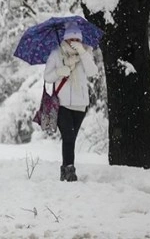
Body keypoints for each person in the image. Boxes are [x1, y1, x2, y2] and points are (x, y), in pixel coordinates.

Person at [44, 22, 99, 182]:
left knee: (71, 138)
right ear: (66, 39)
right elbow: (47, 77)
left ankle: (64, 169)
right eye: (71, 38)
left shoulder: (86, 53)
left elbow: (92, 72)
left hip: (81, 103)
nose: (74, 41)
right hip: (62, 103)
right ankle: (69, 170)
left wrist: (82, 52)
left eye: (77, 38)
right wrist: (60, 71)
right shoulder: (56, 53)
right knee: (68, 136)